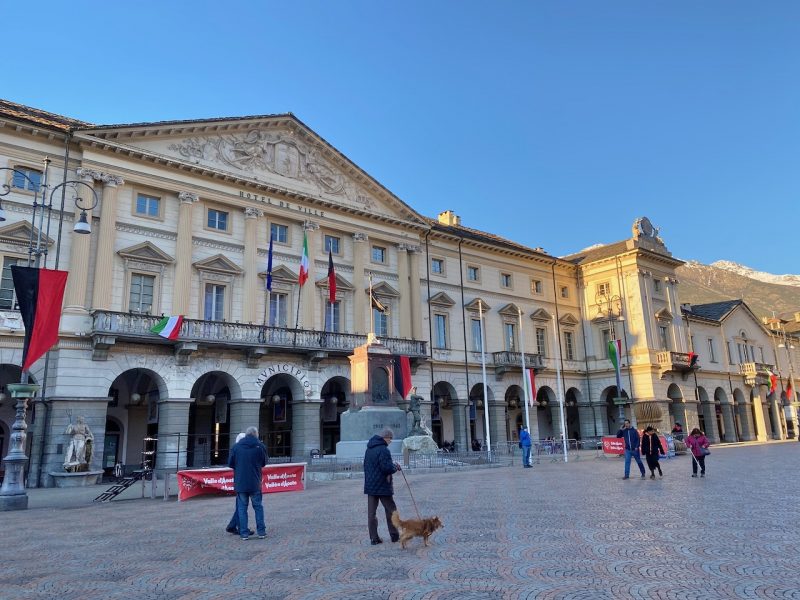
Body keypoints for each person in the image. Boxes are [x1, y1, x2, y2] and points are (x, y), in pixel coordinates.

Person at [228, 426, 268, 540]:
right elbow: (264, 463)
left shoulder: (236, 447)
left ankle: (244, 533)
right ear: (256, 434)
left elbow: (230, 463)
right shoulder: (260, 446)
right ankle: (261, 532)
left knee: (242, 508)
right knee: (258, 507)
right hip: (255, 481)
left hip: (241, 482)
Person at [364, 427, 402, 545]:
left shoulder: (369, 449)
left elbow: (366, 466)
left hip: (371, 486)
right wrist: (395, 467)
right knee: (391, 511)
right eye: (390, 439)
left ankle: (374, 538)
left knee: (371, 513)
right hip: (383, 485)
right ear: (386, 438)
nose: (390, 442)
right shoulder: (384, 450)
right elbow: (386, 468)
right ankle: (395, 535)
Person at [225, 432, 254, 537]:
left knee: (240, 505)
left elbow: (231, 463)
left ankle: (233, 525)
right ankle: (242, 528)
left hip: (239, 480)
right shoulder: (244, 449)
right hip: (246, 481)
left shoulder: (236, 449)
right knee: (242, 506)